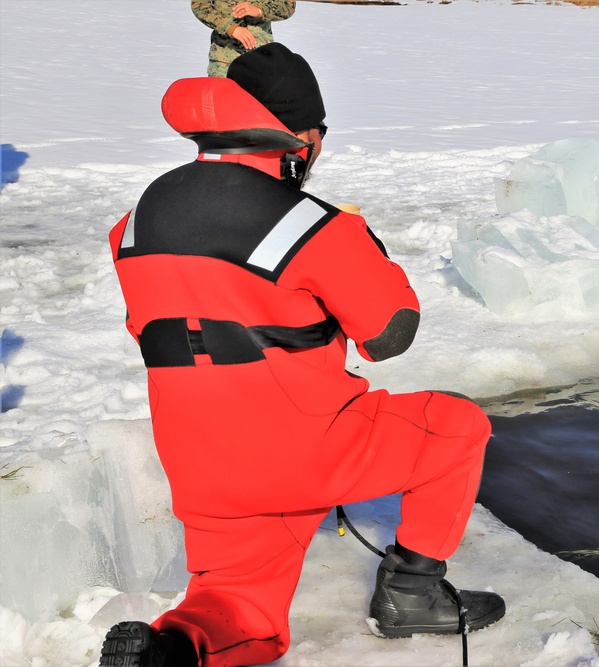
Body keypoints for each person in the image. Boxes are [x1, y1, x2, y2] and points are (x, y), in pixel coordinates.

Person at [98, 43, 504, 667]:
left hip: (201, 462)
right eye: (318, 133)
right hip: (306, 445)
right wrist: (365, 247)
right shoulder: (310, 223)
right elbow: (389, 335)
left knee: (242, 611)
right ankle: (411, 596)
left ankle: (174, 648)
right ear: (299, 137)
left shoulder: (135, 222)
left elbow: (160, 325)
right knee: (456, 427)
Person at [192, 0, 295, 77]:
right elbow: (200, 6)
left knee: (256, 105)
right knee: (223, 103)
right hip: (224, 60)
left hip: (261, 58)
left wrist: (259, 10)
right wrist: (229, 27)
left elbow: (287, 6)